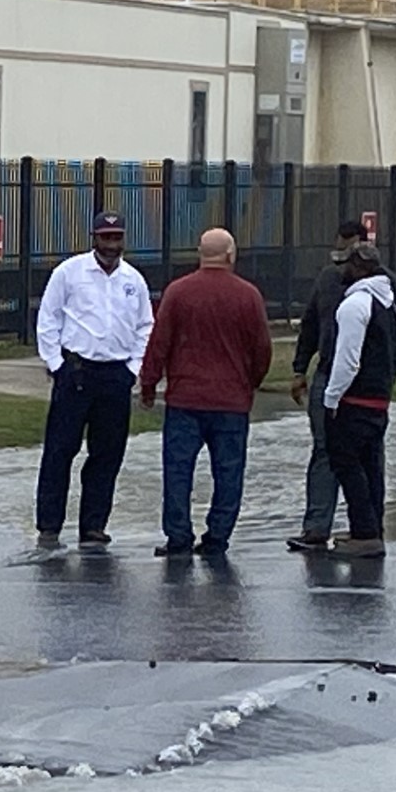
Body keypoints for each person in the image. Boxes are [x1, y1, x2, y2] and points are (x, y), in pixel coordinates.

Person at [137, 228, 273, 557]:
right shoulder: (248, 295)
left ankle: (179, 536)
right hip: (231, 401)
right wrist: (249, 382)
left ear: (200, 254)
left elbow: (160, 342)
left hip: (185, 397)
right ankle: (217, 537)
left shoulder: (178, 292)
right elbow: (262, 349)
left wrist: (149, 383)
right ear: (230, 255)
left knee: (178, 470)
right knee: (228, 471)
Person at [33, 210, 154, 551]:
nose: (111, 245)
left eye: (116, 238)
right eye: (105, 237)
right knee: (60, 450)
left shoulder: (133, 280)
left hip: (115, 375)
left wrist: (134, 367)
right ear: (94, 238)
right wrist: (56, 364)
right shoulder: (69, 273)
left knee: (107, 454)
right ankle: (49, 524)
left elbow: (146, 326)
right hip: (76, 372)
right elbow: (49, 318)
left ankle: (94, 525)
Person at [287, 219, 396, 550]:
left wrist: (382, 379)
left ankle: (368, 528)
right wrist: (301, 368)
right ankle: (319, 527)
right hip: (332, 373)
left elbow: (394, 339)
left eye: (348, 251)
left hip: (355, 384)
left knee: (360, 457)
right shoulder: (329, 279)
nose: (341, 259)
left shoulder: (384, 290)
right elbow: (312, 324)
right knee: (328, 452)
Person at [320, 242, 396, 558]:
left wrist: (332, 398)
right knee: (369, 465)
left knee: (345, 463)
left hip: (353, 400)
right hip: (379, 399)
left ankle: (365, 533)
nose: (343, 271)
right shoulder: (388, 303)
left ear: (358, 268)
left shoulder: (355, 304)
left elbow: (348, 359)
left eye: (347, 265)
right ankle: (369, 527)